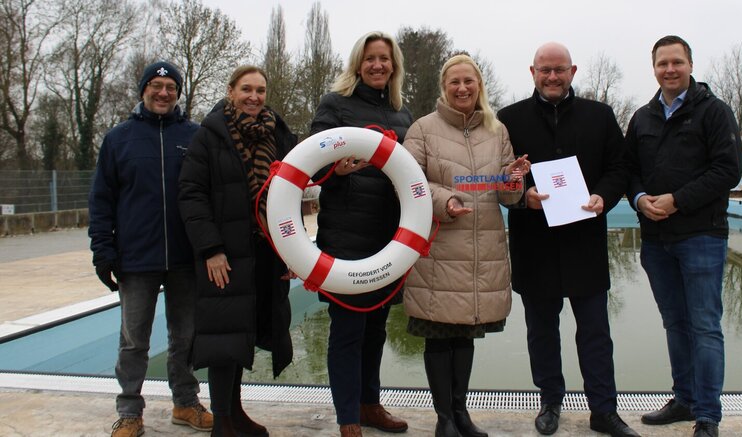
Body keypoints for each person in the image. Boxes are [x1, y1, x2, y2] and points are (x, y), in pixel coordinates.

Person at [497, 42, 639, 437]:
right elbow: (500, 175)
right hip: (534, 245)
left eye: (560, 69)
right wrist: (522, 196)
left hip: (584, 244)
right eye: (545, 70)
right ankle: (550, 401)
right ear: (532, 72)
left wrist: (604, 197)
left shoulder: (600, 115)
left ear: (573, 71)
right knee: (541, 332)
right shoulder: (508, 120)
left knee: (595, 332)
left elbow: (620, 167)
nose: (553, 77)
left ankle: (604, 410)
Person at [402, 54, 529, 437]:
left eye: (468, 82)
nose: (462, 88)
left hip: (479, 253)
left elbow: (506, 196)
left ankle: (461, 413)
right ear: (444, 87)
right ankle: (444, 418)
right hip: (438, 248)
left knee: (464, 334)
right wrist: (446, 201)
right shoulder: (422, 130)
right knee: (439, 336)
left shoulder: (497, 130)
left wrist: (513, 179)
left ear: (479, 86)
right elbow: (408, 182)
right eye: (454, 82)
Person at [625, 35, 742, 437]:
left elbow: (728, 170)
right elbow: (629, 171)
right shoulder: (642, 117)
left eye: (677, 62)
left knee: (705, 326)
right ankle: (684, 399)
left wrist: (678, 200)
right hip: (656, 239)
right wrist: (640, 199)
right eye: (662, 63)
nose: (670, 69)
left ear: (690, 65)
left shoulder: (714, 112)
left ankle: (707, 414)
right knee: (675, 323)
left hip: (701, 236)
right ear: (654, 68)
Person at [88, 61, 212, 437]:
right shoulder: (118, 139)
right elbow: (101, 200)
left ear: (178, 93)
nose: (163, 93)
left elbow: (207, 196)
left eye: (170, 87)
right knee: (134, 341)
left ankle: (185, 403)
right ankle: (129, 412)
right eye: (156, 86)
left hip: (184, 257)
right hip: (135, 257)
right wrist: (102, 250)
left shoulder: (194, 137)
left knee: (185, 337)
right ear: (143, 90)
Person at [178, 65, 297, 437]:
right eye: (246, 89)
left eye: (261, 90)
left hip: (263, 251)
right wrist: (210, 249)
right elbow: (191, 194)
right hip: (225, 256)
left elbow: (297, 185)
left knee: (244, 333)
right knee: (223, 338)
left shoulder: (277, 131)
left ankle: (236, 412)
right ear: (230, 91)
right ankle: (223, 422)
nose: (254, 97)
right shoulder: (209, 135)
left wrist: (292, 250)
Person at [309, 31, 412, 437]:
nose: (377, 65)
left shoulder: (402, 114)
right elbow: (312, 167)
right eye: (370, 58)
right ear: (358, 63)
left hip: (388, 239)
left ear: (393, 66)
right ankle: (347, 415)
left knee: (376, 329)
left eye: (384, 59)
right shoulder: (334, 105)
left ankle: (371, 404)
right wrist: (338, 170)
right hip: (346, 238)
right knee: (348, 330)